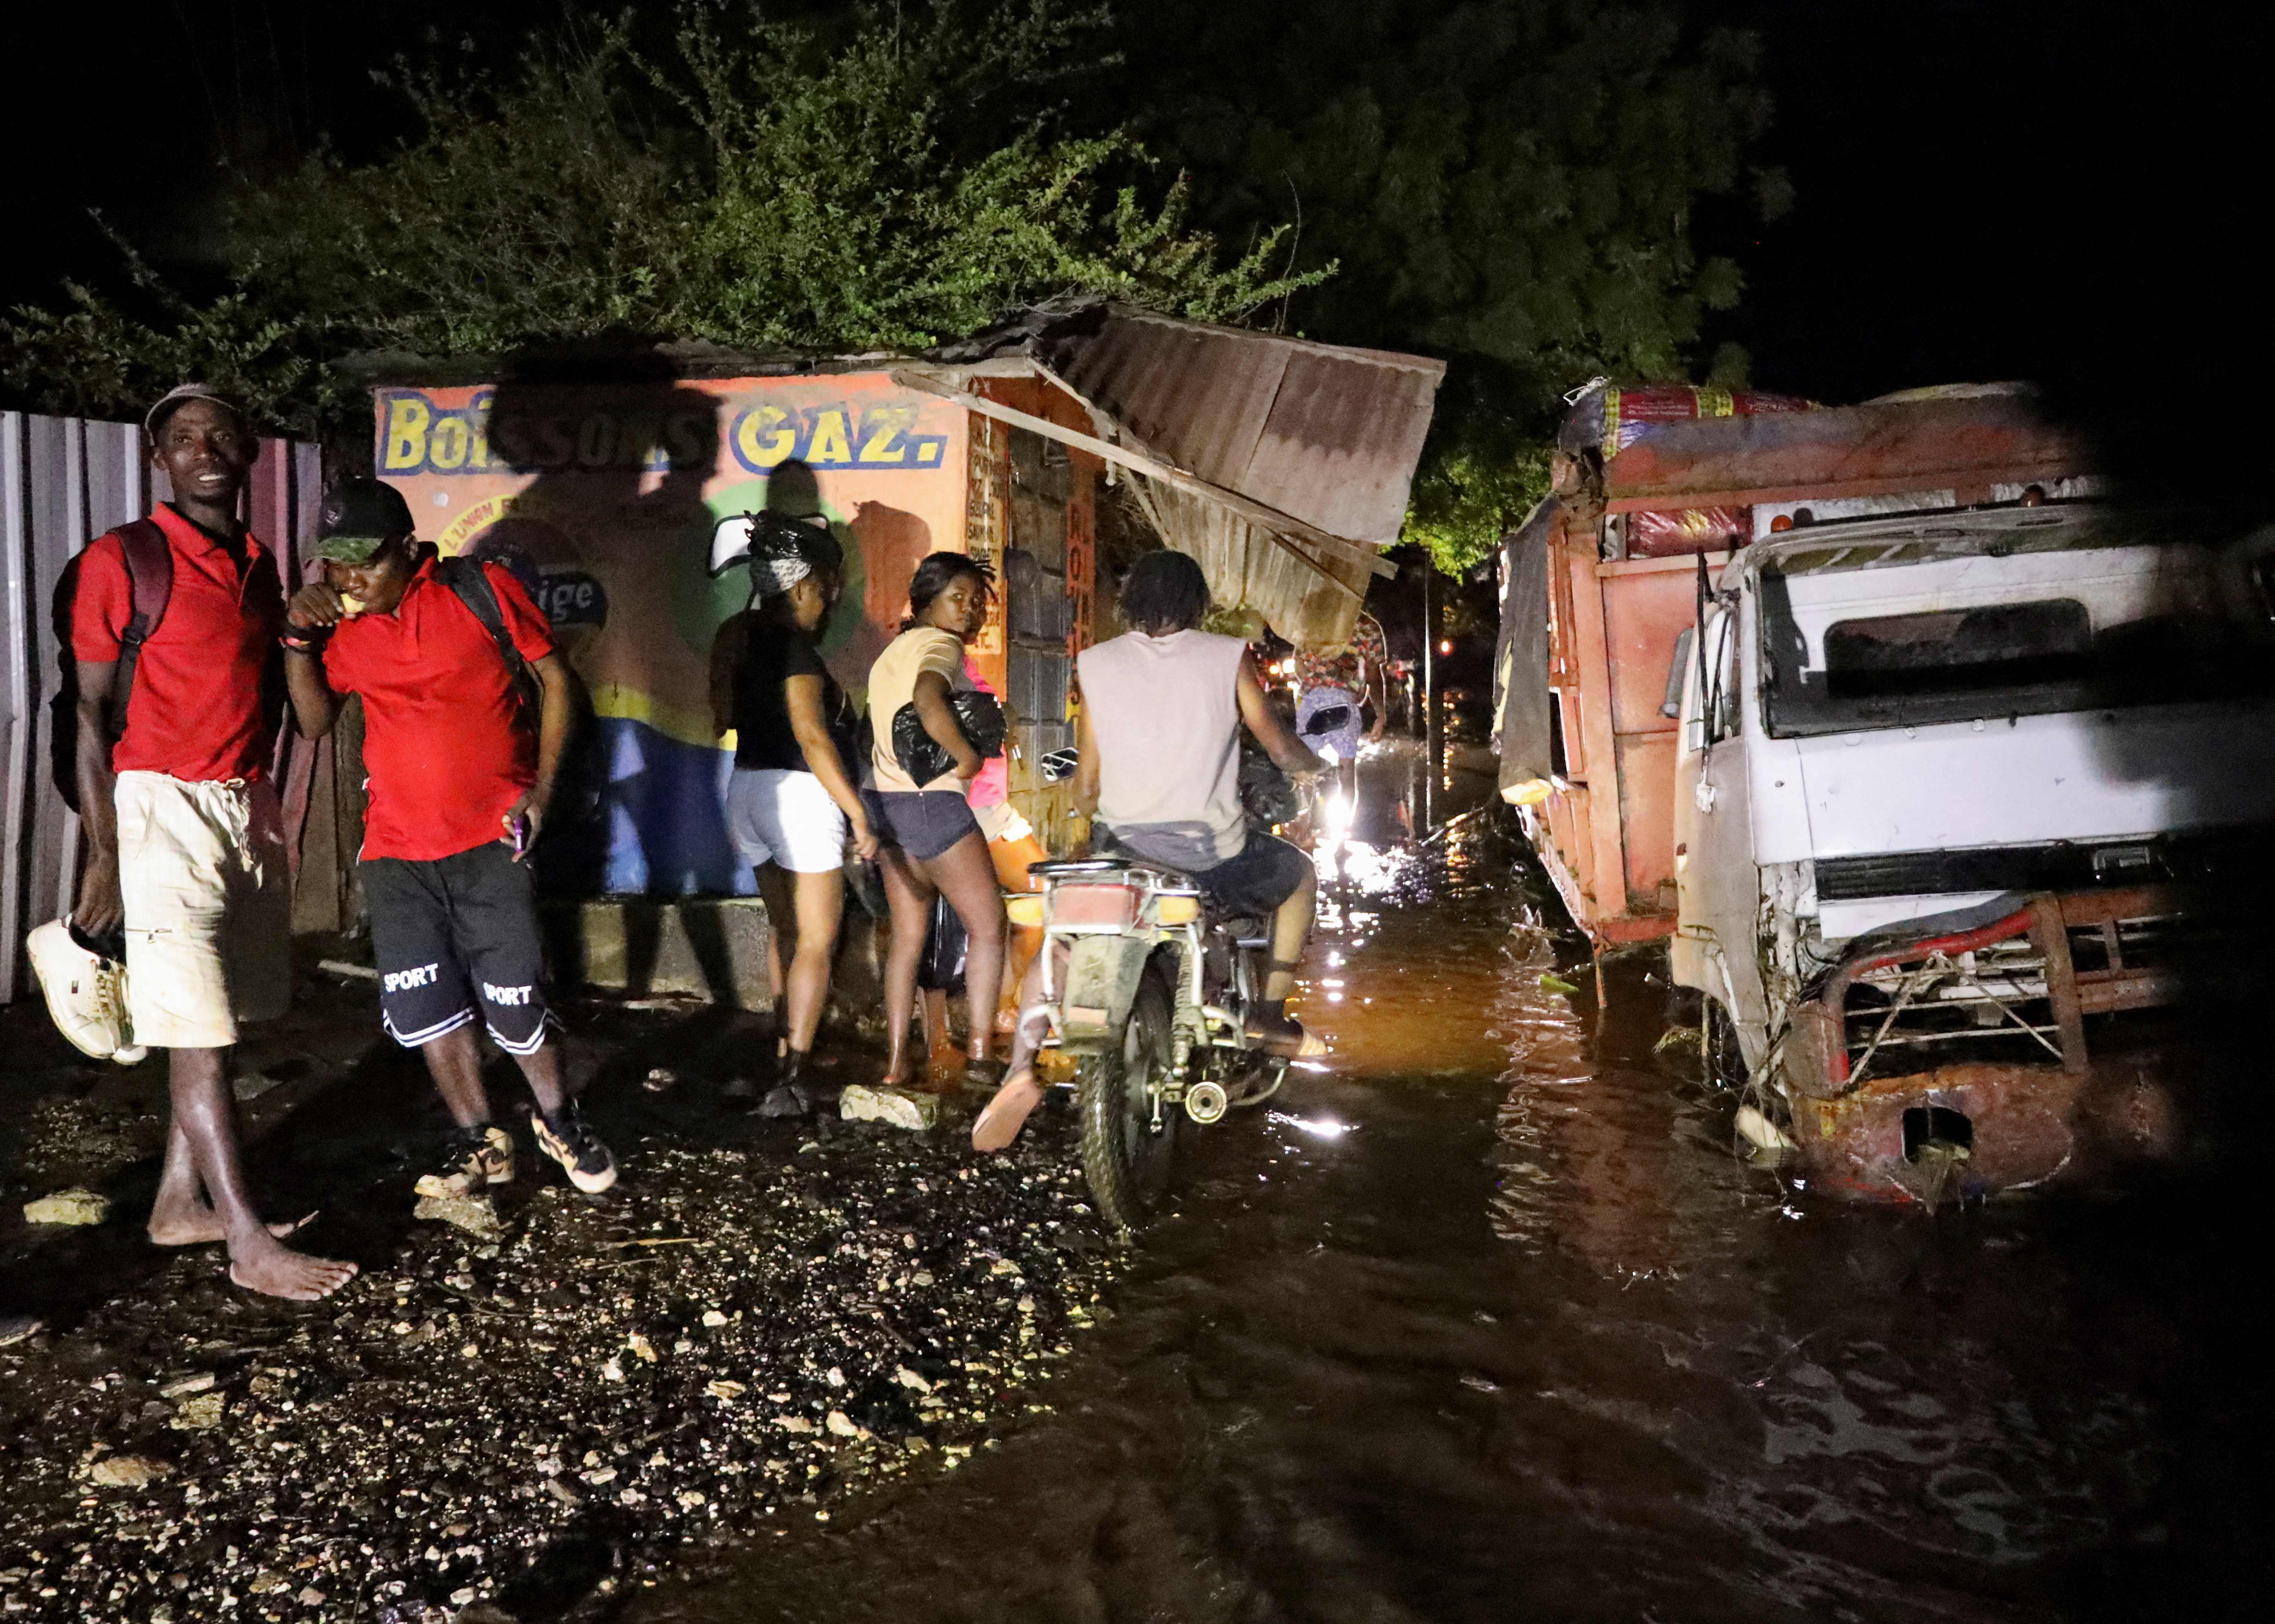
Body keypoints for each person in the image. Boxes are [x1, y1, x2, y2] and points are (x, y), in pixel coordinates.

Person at [67, 384, 358, 1299]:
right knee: (200, 1036)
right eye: (184, 438)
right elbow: (85, 713)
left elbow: (298, 707)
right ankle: (245, 1239)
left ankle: (174, 1205)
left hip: (244, 804)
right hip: (157, 811)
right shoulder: (124, 560)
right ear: (159, 459)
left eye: (221, 436)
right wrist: (106, 854)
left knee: (216, 1017)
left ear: (247, 454)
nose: (205, 450)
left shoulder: (258, 562)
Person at [281, 479, 618, 1198]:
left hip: (490, 840)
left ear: (408, 549)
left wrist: (542, 793)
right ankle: (480, 1139)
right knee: (429, 1003)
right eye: (334, 565)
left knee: (517, 1000)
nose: (348, 580)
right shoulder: (341, 625)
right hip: (397, 852)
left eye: (364, 562)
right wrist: (296, 640)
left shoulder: (478, 589)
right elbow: (312, 722)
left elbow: (556, 680)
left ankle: (559, 1118)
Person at [972, 550, 1327, 1151]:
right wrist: (1313, 766)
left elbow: (1086, 787)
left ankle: (1017, 1066)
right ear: (1197, 603)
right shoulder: (1227, 656)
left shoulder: (1096, 661)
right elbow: (1279, 745)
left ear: (1132, 600)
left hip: (1121, 847)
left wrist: (1109, 818)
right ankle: (1267, 1012)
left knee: (1068, 929)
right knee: (1299, 877)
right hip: (1206, 853)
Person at [707, 513, 877, 1111]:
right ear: (803, 585)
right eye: (826, 588)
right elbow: (812, 735)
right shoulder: (797, 650)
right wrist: (857, 812)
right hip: (800, 797)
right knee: (815, 939)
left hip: (746, 789)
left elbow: (720, 712)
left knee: (783, 929)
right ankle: (793, 1075)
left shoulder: (740, 639)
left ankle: (780, 1049)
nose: (828, 602)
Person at [865, 553, 1007, 1090]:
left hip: (890, 813)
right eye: (958, 596)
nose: (970, 609)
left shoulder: (890, 654)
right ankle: (979, 1056)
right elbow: (929, 698)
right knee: (989, 926)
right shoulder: (940, 646)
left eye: (976, 601)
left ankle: (898, 1062)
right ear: (927, 600)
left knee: (906, 942)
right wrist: (966, 758)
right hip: (933, 807)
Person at [1295, 608, 1390, 799]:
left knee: (1304, 767)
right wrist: (1380, 714)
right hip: (1344, 704)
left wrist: (1316, 686)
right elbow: (1374, 676)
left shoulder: (1311, 621)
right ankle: (1346, 825)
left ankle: (1305, 824)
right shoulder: (1368, 627)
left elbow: (1298, 663)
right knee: (1347, 772)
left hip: (1311, 703)